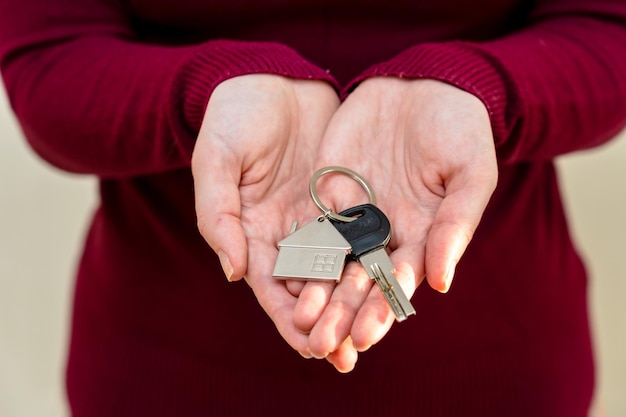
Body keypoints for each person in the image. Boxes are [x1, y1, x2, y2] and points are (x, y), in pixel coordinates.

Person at [1, 0, 625, 416]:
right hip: (163, 377)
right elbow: (49, 53)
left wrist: (478, 87)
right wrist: (207, 89)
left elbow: (609, 28)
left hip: (498, 373)